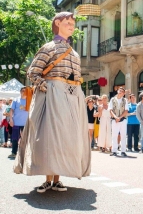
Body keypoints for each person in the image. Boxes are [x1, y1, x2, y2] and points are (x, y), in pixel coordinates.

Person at [14, 12, 91, 193]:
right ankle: (47, 179)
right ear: (57, 23)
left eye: (73, 23)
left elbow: (77, 77)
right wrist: (45, 86)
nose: (72, 25)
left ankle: (57, 179)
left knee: (66, 138)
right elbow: (33, 72)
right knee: (49, 136)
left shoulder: (74, 52)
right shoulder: (48, 47)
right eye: (68, 22)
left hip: (73, 97)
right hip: (53, 96)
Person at [8, 88, 28, 158]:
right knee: (14, 138)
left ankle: (25, 154)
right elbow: (11, 110)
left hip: (26, 123)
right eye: (23, 91)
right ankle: (14, 152)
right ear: (20, 92)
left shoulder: (30, 100)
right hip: (16, 122)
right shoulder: (16, 100)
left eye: (25, 91)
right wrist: (11, 119)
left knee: (25, 139)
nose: (24, 92)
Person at [109, 87, 128, 157]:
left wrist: (120, 117)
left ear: (123, 94)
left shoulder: (125, 100)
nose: (120, 92)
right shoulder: (112, 99)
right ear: (117, 91)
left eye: (122, 91)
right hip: (114, 120)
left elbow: (126, 110)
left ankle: (123, 151)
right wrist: (115, 117)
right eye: (119, 91)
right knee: (114, 135)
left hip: (123, 120)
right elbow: (110, 110)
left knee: (123, 135)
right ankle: (114, 151)